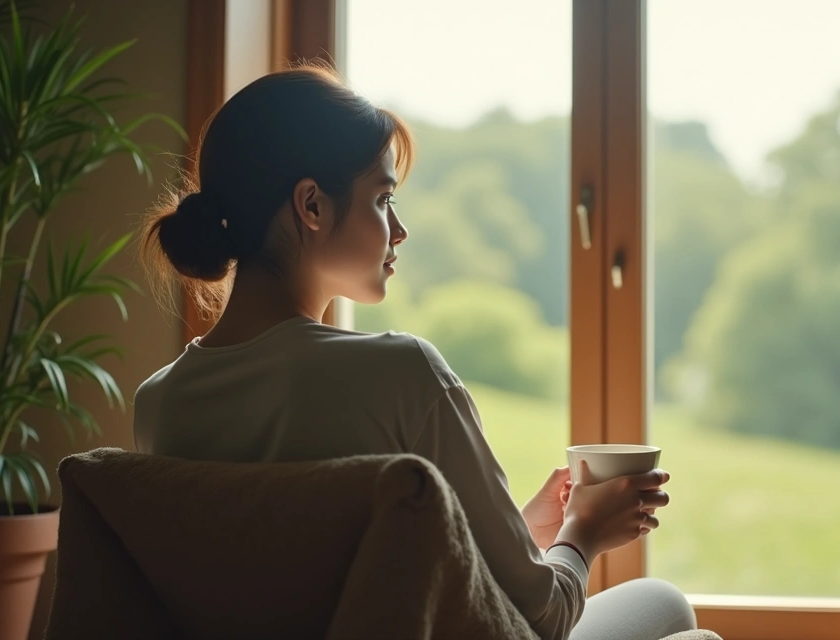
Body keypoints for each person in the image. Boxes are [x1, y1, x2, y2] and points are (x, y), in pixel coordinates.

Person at [134, 64, 697, 640]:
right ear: (312, 206)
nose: (398, 229)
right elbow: (540, 622)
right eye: (382, 198)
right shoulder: (403, 374)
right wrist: (584, 531)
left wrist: (521, 533)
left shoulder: (158, 404)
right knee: (667, 605)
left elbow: (327, 577)